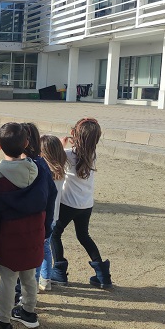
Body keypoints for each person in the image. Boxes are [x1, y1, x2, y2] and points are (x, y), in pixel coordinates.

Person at [0, 123, 55, 329]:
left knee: (8, 281)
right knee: (29, 275)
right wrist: (46, 229)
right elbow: (50, 199)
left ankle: (3, 323)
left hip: (9, 240)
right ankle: (28, 312)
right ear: (27, 143)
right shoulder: (39, 171)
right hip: (34, 234)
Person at [50, 117, 113, 288]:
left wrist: (61, 144)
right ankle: (102, 274)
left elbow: (52, 156)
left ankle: (59, 270)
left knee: (55, 233)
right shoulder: (93, 155)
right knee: (84, 236)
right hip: (86, 204)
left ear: (74, 134)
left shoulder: (68, 154)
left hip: (68, 203)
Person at [37, 134, 68, 291]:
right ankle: (46, 279)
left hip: (42, 217)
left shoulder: (43, 172)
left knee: (37, 250)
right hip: (53, 217)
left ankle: (35, 280)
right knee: (46, 249)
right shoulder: (60, 171)